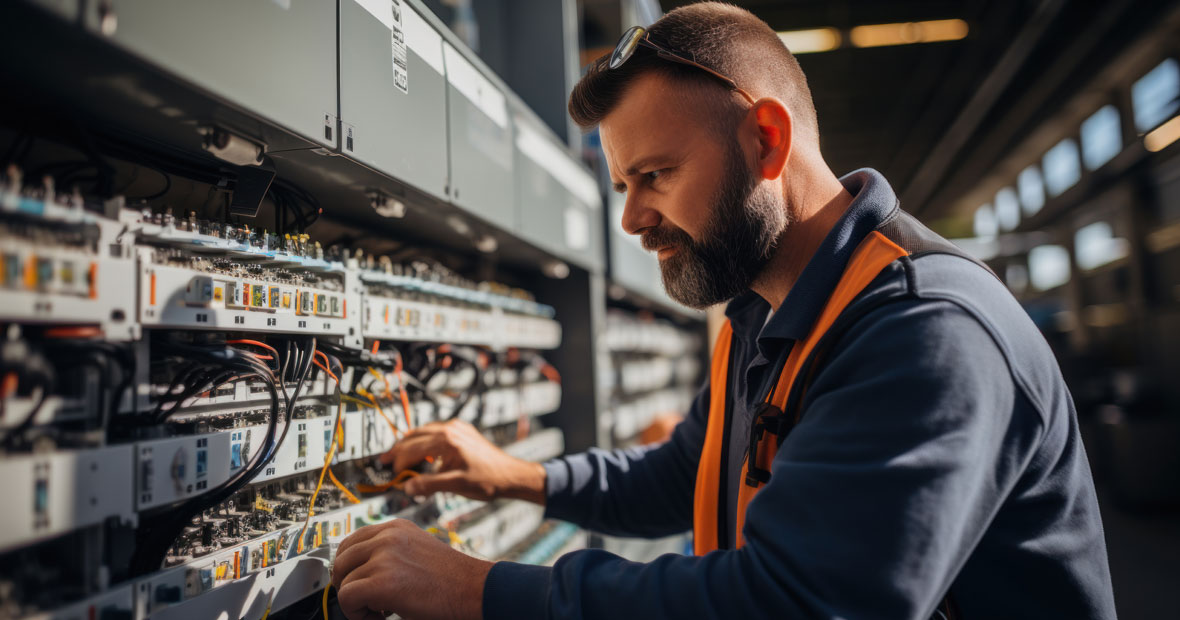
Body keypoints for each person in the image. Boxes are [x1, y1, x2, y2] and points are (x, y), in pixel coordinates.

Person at [329, 4, 1117, 619]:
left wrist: (478, 591)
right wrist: (517, 476)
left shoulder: (926, 331)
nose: (633, 218)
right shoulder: (760, 312)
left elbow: (799, 604)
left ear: (766, 141)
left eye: (657, 175)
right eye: (623, 187)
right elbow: (691, 478)